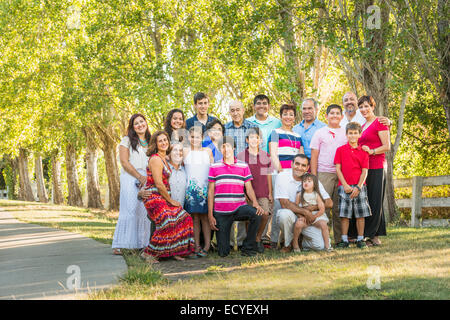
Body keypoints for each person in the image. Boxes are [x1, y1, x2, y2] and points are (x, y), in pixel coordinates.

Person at [139, 131, 195, 263]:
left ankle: (175, 250)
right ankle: (149, 253)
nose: (164, 143)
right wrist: (170, 201)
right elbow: (158, 184)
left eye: (165, 140)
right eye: (160, 141)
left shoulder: (165, 158)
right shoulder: (156, 159)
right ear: (156, 144)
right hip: (154, 197)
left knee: (185, 217)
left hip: (163, 197)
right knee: (167, 220)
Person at [208, 136, 267, 257]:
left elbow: (249, 188)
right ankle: (223, 247)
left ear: (234, 148)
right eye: (223, 147)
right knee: (223, 253)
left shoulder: (243, 166)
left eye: (228, 146)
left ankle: (248, 247)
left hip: (239, 208)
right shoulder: (214, 167)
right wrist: (210, 215)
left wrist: (255, 203)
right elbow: (210, 192)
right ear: (220, 149)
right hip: (221, 211)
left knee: (257, 214)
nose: (226, 149)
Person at [349, 96, 390, 247]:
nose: (364, 109)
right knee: (369, 201)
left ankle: (372, 236)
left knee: (375, 200)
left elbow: (387, 146)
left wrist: (372, 151)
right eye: (361, 107)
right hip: (365, 168)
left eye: (367, 106)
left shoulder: (380, 122)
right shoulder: (364, 124)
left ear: (373, 106)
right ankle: (372, 235)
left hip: (377, 166)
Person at [275, 154, 333, 252]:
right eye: (297, 164)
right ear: (291, 164)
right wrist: (305, 212)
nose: (300, 168)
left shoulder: (312, 180)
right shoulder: (282, 176)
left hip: (311, 218)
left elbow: (329, 203)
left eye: (303, 165)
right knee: (284, 214)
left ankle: (302, 241)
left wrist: (312, 209)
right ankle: (288, 244)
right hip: (293, 216)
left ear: (307, 168)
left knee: (319, 246)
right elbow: (285, 204)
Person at [112, 114, 152, 255]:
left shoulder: (150, 141)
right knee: (129, 210)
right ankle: (120, 244)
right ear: (132, 127)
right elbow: (124, 162)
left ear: (146, 123)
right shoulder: (127, 140)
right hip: (131, 177)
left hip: (147, 178)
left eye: (142, 121)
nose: (140, 125)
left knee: (144, 211)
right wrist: (139, 176)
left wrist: (147, 178)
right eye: (136, 123)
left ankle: (142, 244)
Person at [309, 104, 347, 244]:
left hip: (342, 173)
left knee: (339, 207)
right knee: (323, 206)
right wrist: (313, 176)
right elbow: (314, 155)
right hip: (324, 173)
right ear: (326, 116)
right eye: (332, 113)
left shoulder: (345, 132)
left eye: (338, 113)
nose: (335, 115)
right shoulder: (320, 133)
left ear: (342, 117)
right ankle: (322, 239)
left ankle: (339, 239)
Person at [268, 103, 303, 249]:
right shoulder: (275, 132)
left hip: (295, 175)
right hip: (280, 173)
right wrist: (281, 171)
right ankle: (274, 240)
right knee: (278, 206)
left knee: (292, 205)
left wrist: (299, 174)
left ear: (294, 117)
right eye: (285, 114)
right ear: (281, 116)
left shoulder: (298, 136)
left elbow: (301, 156)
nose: (288, 117)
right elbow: (273, 154)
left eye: (291, 114)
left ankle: (287, 239)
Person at [224, 100, 258, 248]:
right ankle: (231, 242)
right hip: (229, 171)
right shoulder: (225, 128)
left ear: (243, 110)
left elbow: (255, 150)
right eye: (232, 110)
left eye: (238, 109)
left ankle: (244, 241)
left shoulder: (252, 127)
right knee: (230, 204)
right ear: (229, 112)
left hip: (246, 171)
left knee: (246, 204)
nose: (236, 113)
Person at [334, 122, 371, 249]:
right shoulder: (340, 150)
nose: (353, 135)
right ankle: (344, 240)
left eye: (355, 133)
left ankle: (361, 239)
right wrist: (345, 185)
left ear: (360, 134)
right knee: (345, 215)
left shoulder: (363, 152)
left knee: (360, 214)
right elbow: (338, 169)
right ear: (346, 134)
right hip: (344, 186)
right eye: (350, 133)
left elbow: (365, 171)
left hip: (360, 187)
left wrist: (359, 187)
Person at [237, 127, 273, 252]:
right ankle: (250, 240)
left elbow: (268, 175)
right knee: (249, 217)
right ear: (247, 140)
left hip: (262, 191)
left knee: (264, 215)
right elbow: (239, 176)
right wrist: (242, 193)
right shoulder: (241, 156)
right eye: (251, 137)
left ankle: (258, 238)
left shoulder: (265, 156)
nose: (253, 140)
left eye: (256, 137)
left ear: (260, 140)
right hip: (247, 192)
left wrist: (270, 193)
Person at [184, 126, 214, 257]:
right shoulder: (185, 151)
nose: (195, 139)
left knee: (205, 218)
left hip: (205, 188)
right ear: (188, 138)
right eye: (192, 137)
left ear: (202, 138)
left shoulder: (207, 151)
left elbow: (213, 169)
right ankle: (196, 245)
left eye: (197, 137)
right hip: (191, 189)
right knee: (194, 218)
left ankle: (207, 245)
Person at [293, 173, 331, 252]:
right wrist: (301, 217)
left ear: (314, 184)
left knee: (323, 224)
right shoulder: (299, 195)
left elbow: (322, 209)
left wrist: (315, 216)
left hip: (316, 216)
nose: (306, 183)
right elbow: (296, 208)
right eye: (304, 181)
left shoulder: (316, 195)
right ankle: (295, 243)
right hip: (304, 217)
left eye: (309, 181)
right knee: (298, 224)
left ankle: (327, 246)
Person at [167, 142, 187, 207]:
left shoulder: (185, 170)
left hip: (181, 212)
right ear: (169, 153)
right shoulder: (163, 169)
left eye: (181, 150)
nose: (178, 152)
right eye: (175, 150)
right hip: (165, 212)